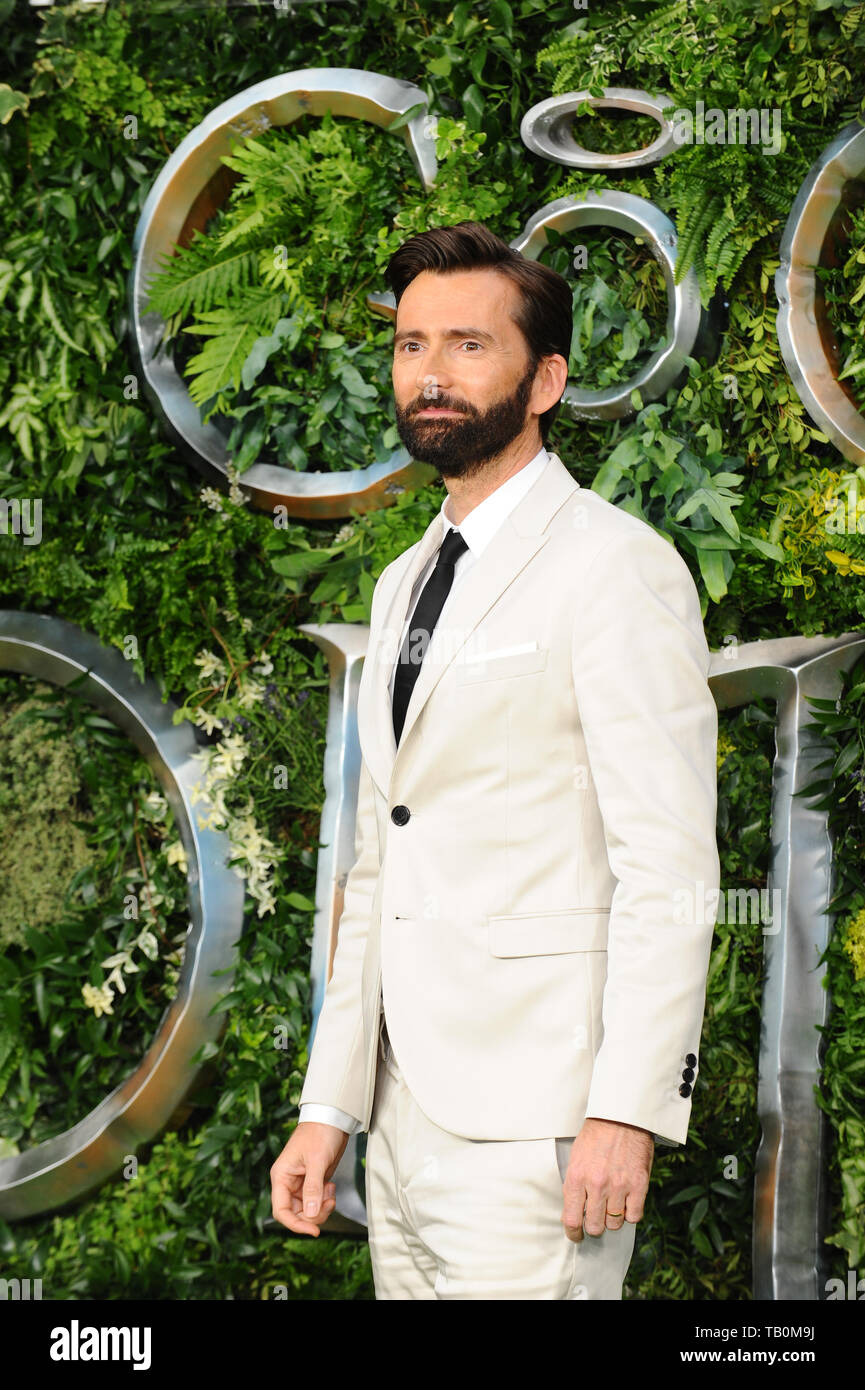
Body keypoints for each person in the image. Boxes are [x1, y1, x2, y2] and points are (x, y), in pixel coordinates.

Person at [270, 220, 720, 1300]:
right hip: (400, 1118)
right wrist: (327, 1106)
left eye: (468, 345)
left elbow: (666, 866)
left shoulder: (615, 568)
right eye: (410, 344)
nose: (429, 372)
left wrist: (627, 1108)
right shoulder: (403, 582)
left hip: (541, 1126)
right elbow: (382, 860)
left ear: (547, 378)